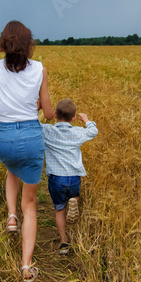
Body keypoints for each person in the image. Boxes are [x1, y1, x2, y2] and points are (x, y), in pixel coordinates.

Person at [0, 21, 54, 282]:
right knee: (32, 204)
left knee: (11, 167)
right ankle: (26, 267)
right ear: (29, 45)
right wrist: (39, 107)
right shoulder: (40, 69)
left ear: (3, 44)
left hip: (4, 139)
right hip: (31, 137)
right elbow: (49, 114)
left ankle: (11, 217)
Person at [41, 99, 98, 256]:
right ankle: (74, 200)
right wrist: (86, 120)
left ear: (55, 115)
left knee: (59, 210)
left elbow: (33, 125)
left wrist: (40, 109)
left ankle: (63, 242)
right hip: (74, 177)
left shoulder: (47, 130)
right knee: (73, 194)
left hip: (56, 178)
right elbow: (93, 132)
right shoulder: (77, 132)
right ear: (73, 118)